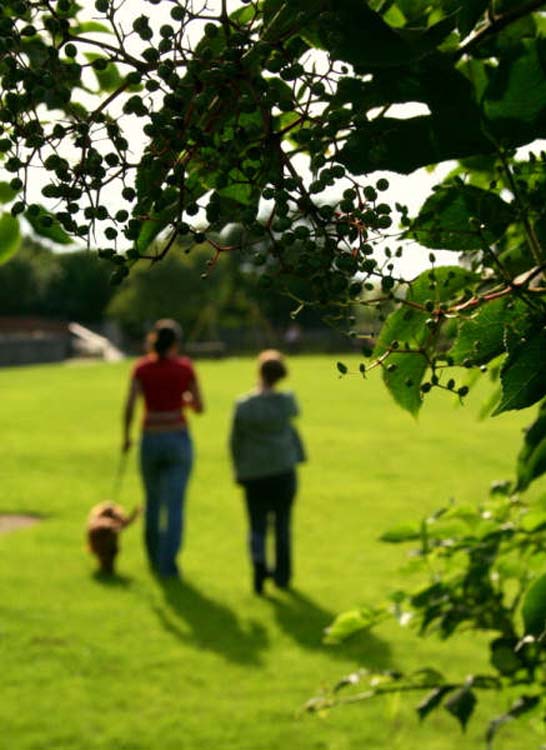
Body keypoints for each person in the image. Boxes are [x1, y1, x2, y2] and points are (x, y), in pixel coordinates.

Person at [123, 319, 204, 578]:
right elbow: (199, 406)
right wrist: (185, 399)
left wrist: (126, 436)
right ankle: (168, 565)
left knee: (153, 502)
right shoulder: (184, 367)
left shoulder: (142, 368)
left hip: (151, 438)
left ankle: (153, 558)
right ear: (176, 344)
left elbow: (130, 404)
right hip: (178, 438)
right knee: (175, 506)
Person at [229, 350, 305, 595]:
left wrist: (238, 469)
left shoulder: (244, 405)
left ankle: (259, 568)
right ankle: (282, 577)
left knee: (257, 526)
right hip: (283, 470)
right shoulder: (286, 402)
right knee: (282, 525)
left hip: (253, 473)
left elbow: (235, 442)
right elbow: (295, 417)